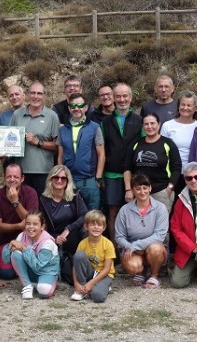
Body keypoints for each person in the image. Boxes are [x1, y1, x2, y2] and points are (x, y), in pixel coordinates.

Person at [114, 174, 169, 289]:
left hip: (152, 248)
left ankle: (154, 275)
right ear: (133, 191)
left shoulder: (161, 208)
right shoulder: (124, 210)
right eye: (138, 188)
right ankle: (141, 272)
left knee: (155, 248)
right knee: (133, 266)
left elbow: (159, 236)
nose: (142, 192)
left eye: (145, 188)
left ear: (150, 188)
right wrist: (131, 247)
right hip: (133, 250)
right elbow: (119, 236)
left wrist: (137, 246)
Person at [102, 83, 142, 237]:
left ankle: (132, 249)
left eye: (125, 96)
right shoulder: (105, 122)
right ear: (113, 98)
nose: (122, 99)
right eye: (118, 96)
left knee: (134, 211)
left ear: (130, 98)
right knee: (113, 211)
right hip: (112, 174)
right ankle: (114, 252)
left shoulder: (139, 121)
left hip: (133, 174)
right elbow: (102, 148)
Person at [0, 163, 39, 280]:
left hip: (27, 240)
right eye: (9, 176)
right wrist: (19, 225)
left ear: (22, 178)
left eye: (16, 177)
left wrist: (15, 202)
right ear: (4, 178)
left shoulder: (30, 193)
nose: (12, 179)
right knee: (7, 274)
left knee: (32, 267)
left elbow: (32, 221)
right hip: (5, 241)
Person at [39, 164, 89, 284]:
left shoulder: (75, 196)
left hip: (74, 236)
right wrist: (55, 238)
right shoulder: (43, 200)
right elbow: (40, 226)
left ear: (68, 181)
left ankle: (88, 266)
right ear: (51, 179)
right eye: (56, 177)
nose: (59, 180)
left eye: (63, 178)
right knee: (71, 279)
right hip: (54, 239)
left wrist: (68, 229)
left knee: (87, 232)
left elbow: (85, 215)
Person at [57, 92, 104, 212]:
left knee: (92, 217)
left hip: (89, 181)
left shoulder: (95, 127)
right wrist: (61, 177)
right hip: (69, 181)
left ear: (86, 107)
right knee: (71, 216)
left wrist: (98, 177)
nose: (76, 108)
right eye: (72, 106)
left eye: (80, 105)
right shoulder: (62, 130)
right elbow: (60, 156)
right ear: (69, 108)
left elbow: (101, 154)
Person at [124, 113, 182, 210]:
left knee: (161, 223)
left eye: (152, 123)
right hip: (139, 191)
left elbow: (177, 167)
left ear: (158, 124)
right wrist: (128, 189)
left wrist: (170, 187)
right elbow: (127, 167)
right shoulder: (136, 144)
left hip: (161, 192)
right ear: (142, 126)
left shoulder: (168, 143)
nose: (149, 127)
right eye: (146, 124)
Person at [11, 81, 60, 193]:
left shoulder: (52, 116)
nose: (35, 96)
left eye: (39, 93)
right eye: (33, 93)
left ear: (44, 96)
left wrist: (38, 142)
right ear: (28, 94)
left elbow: (57, 146)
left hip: (43, 171)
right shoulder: (17, 114)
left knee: (41, 206)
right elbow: (9, 140)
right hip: (20, 171)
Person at [2, 211, 60, 299]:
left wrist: (24, 249)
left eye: (35, 224)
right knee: (16, 254)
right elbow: (6, 260)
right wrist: (10, 245)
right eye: (28, 223)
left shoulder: (48, 242)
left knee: (44, 292)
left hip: (46, 271)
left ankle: (50, 281)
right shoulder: (22, 236)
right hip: (31, 271)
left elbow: (38, 266)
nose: (31, 227)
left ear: (42, 226)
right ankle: (27, 285)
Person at [71, 210, 114, 303]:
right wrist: (76, 283)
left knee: (97, 297)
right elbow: (76, 265)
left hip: (104, 275)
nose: (96, 227)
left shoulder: (108, 244)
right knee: (79, 255)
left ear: (104, 227)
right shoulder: (82, 243)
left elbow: (107, 270)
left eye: (99, 225)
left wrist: (91, 283)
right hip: (90, 273)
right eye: (92, 225)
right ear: (86, 226)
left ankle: (100, 287)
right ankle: (82, 290)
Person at [160, 90, 197, 169]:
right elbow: (161, 150)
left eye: (189, 105)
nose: (185, 108)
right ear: (178, 106)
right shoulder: (167, 125)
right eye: (183, 104)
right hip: (171, 172)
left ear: (195, 108)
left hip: (192, 174)